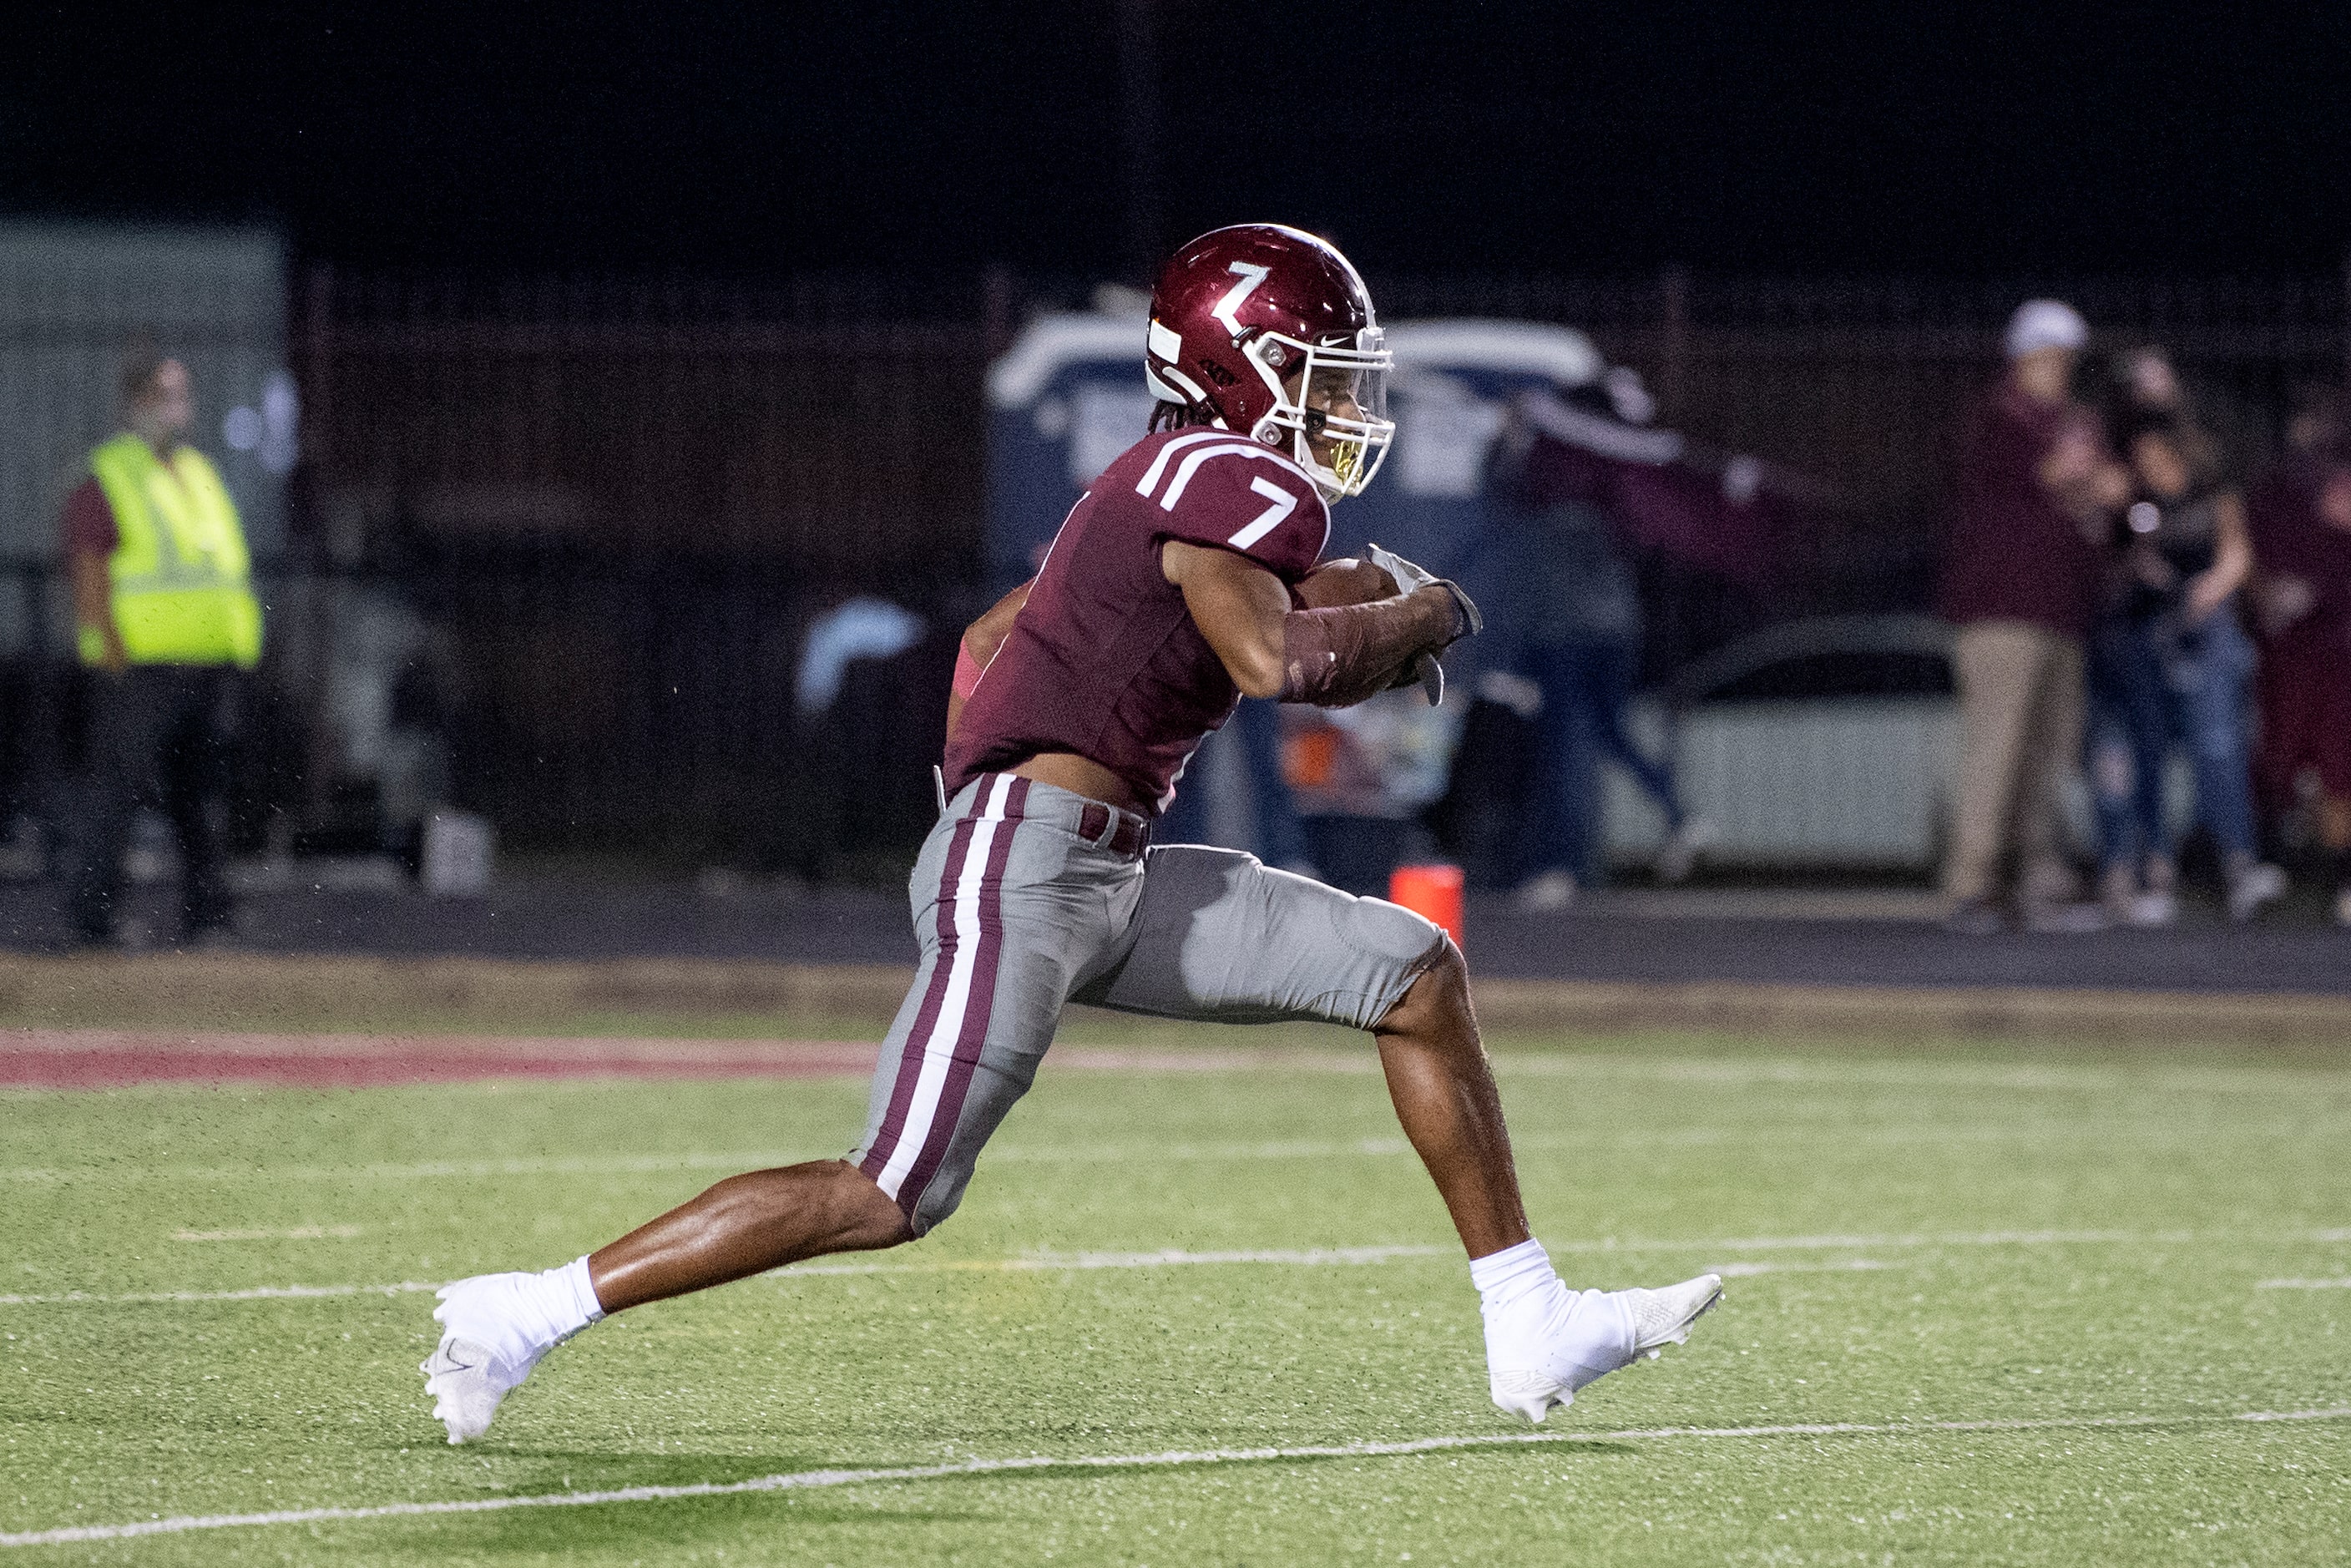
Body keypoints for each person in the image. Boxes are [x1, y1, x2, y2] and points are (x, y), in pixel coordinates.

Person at [422, 225, 1722, 1444]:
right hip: (1037, 862)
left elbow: (1002, 637)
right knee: (891, 1191)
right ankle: (523, 1309)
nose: (1341, 414)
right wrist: (1422, 613)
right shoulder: (1218, 472)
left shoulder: (1169, 481)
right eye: (1320, 380)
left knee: (1414, 973)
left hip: (1098, 863)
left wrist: (1359, 606)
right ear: (1239, 367)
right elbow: (1274, 656)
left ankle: (1528, 1318)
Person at [58, 346, 262, 946]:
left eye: (182, 394)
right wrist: (107, 644)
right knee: (116, 795)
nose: (179, 408)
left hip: (207, 665)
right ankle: (94, 920)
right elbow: (90, 565)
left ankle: (208, 915)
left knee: (199, 801)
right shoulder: (112, 472)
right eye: (166, 394)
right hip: (140, 666)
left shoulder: (198, 470)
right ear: (137, 402)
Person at [1936, 301, 2128, 934]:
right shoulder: (2002, 414)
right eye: (2049, 356)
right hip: (2002, 613)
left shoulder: (2071, 419)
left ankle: (2034, 881)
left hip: (2061, 609)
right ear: (2024, 357)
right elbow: (2070, 473)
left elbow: (2107, 489)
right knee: (1997, 747)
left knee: (2047, 752)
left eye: (2065, 358)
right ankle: (1971, 885)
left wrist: (2098, 478)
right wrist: (2091, 474)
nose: (2058, 369)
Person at [1489, 387, 1712, 913]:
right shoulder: (1618, 464)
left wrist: (1512, 442)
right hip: (1613, 629)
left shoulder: (1556, 464)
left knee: (1567, 746)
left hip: (1566, 632)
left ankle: (1561, 867)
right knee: (1607, 729)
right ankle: (1677, 812)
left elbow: (1517, 528)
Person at [2084, 401, 2283, 924]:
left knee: (2217, 746)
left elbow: (2238, 554)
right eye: (2140, 455)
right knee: (2142, 749)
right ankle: (2155, 867)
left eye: (2157, 453)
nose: (2149, 463)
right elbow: (2116, 559)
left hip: (2208, 628)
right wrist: (2140, 564)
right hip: (2151, 633)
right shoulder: (2138, 504)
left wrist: (2212, 589)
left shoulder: (2213, 493)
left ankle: (2239, 862)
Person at [2245, 387, 2351, 922]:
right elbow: (2253, 559)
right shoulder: (2274, 487)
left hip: (2337, 641)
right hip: (2290, 645)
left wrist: (2318, 589)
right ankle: (2270, 867)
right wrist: (2268, 595)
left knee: (2339, 761)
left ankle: (2342, 878)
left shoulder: (2336, 483)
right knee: (2280, 752)